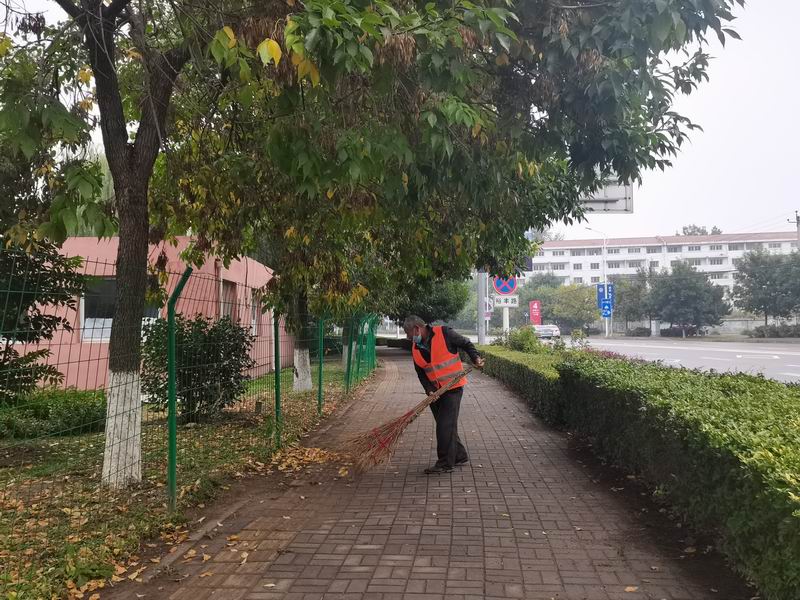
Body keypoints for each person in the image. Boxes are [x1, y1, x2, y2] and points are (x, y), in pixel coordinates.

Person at [402, 315, 484, 474]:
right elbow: (421, 373)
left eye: (408, 333)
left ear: (417, 329)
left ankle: (445, 463)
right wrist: (429, 390)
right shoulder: (415, 348)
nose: (408, 337)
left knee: (444, 425)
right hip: (436, 392)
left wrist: (476, 358)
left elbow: (466, 343)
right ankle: (459, 455)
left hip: (453, 387)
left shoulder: (444, 333)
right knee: (446, 424)